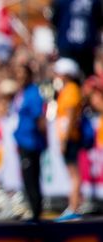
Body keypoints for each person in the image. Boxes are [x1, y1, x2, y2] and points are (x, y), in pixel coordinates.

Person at [12, 63, 47, 223]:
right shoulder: (23, 93)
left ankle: (36, 213)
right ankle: (33, 210)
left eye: (22, 74)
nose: (19, 78)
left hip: (31, 142)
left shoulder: (33, 93)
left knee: (31, 178)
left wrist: (43, 139)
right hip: (24, 141)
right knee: (28, 178)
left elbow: (39, 118)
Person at [53, 58, 84, 221]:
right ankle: (74, 205)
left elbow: (71, 116)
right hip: (66, 136)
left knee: (74, 174)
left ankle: (74, 207)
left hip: (70, 137)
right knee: (72, 173)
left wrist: (64, 140)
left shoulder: (72, 89)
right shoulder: (66, 90)